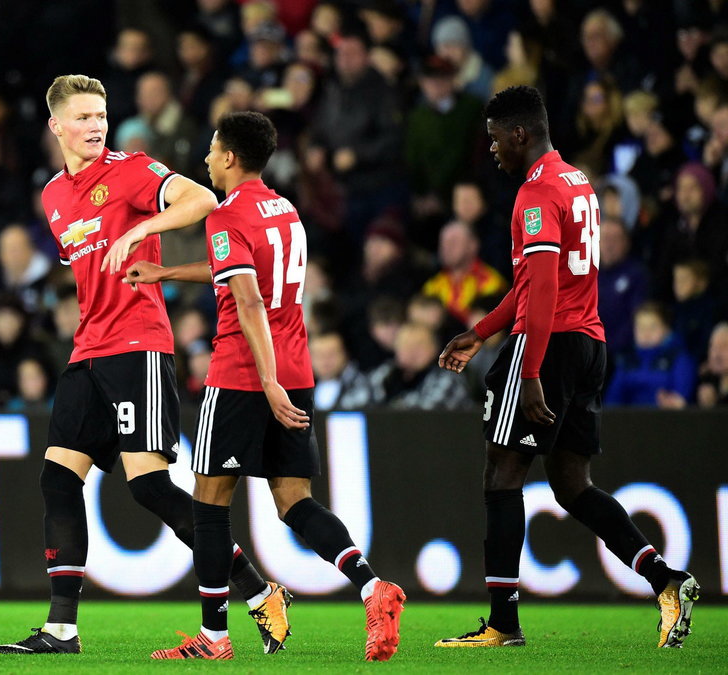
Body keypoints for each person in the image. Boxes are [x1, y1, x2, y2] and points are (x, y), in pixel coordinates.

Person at [0, 75, 287, 656]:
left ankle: (256, 591)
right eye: (81, 117)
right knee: (57, 477)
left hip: (138, 345)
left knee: (150, 486)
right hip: (88, 349)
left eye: (100, 114)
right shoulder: (53, 195)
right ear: (55, 126)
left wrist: (145, 227)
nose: (95, 125)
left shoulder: (130, 169)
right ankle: (61, 630)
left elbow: (203, 198)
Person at [125, 112, 404, 661]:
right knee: (295, 503)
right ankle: (373, 587)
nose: (205, 158)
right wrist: (168, 275)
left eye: (210, 149)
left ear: (229, 157)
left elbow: (248, 298)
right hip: (297, 369)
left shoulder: (227, 215)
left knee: (208, 506)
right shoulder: (285, 210)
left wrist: (267, 381)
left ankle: (214, 638)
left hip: (244, 374)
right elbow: (239, 272)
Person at [435, 85, 698, 649]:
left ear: (520, 133)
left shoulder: (535, 195)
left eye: (495, 139)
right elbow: (533, 282)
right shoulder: (576, 181)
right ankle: (666, 580)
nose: (493, 151)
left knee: (501, 473)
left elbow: (546, 286)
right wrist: (480, 333)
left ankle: (502, 624)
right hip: (587, 345)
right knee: (572, 484)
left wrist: (527, 369)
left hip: (549, 345)